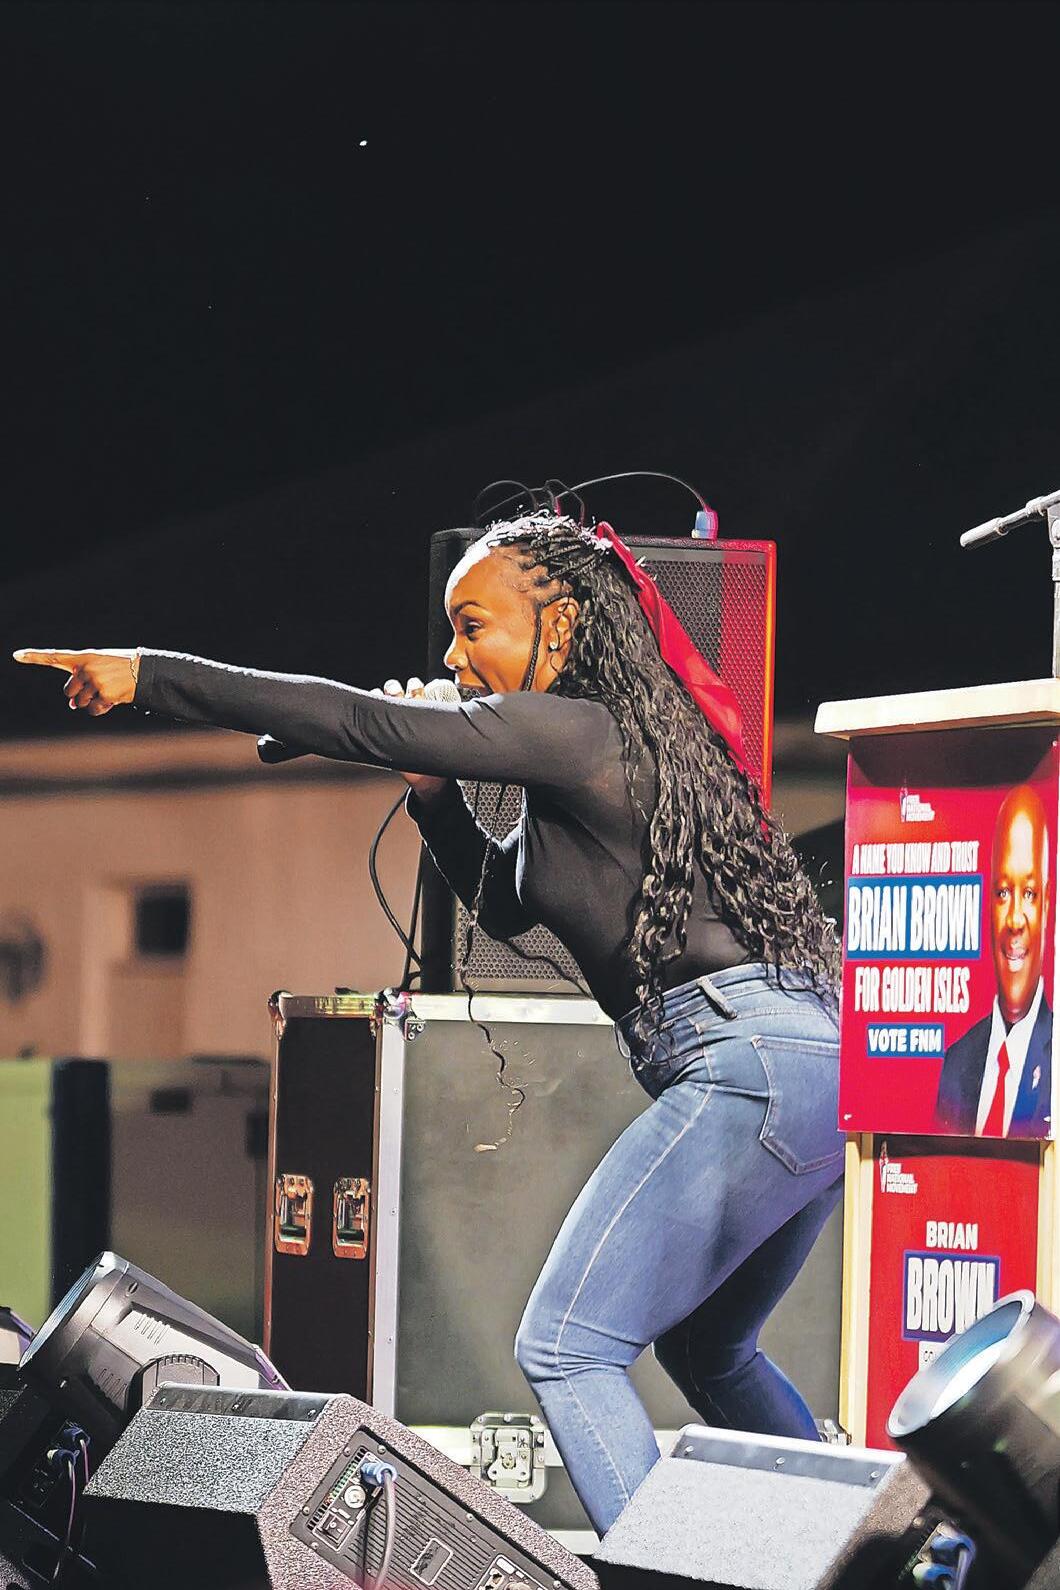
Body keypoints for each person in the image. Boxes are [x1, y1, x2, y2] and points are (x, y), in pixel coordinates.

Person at [14, 512, 843, 1536]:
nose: (451, 657)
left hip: (741, 1059)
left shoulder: (575, 729)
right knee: (711, 1349)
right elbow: (505, 906)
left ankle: (664, 1572)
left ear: (559, 625)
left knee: (566, 1346)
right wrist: (434, 792)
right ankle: (845, 1557)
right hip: (799, 1065)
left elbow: (353, 720)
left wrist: (149, 674)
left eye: (473, 625)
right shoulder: (584, 755)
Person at [935, 784, 1052, 1138]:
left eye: (1029, 893)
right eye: (1002, 892)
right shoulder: (956, 1062)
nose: (1014, 919)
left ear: (1047, 907)